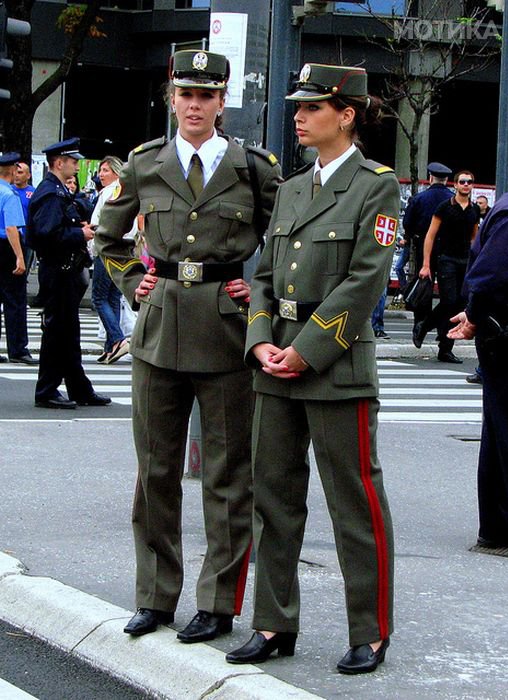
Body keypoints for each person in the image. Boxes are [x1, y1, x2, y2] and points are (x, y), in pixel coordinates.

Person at [95, 50, 281, 642]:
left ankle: (219, 602)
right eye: (185, 95)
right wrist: (131, 278)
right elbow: (108, 235)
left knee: (229, 475)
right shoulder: (146, 162)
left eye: (206, 96)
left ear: (223, 102)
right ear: (171, 98)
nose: (195, 105)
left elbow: (286, 237)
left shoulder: (253, 167)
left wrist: (258, 287)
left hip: (227, 331)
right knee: (155, 472)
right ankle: (154, 596)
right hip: (158, 329)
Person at [226, 62, 398, 674]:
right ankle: (274, 623)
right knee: (272, 499)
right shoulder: (294, 186)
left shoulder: (376, 186)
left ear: (346, 114)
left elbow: (364, 281)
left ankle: (370, 631)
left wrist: (309, 349)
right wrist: (261, 343)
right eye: (297, 108)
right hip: (276, 362)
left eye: (311, 108)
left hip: (336, 365)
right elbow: (265, 276)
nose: (297, 117)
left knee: (354, 503)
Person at [448, 146, 508, 559]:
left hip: (505, 337)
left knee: (501, 435)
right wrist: (475, 315)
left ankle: (496, 529)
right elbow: (491, 278)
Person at [26, 137, 111, 410]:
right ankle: (47, 390)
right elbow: (44, 234)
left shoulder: (61, 191)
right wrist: (80, 233)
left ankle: (78, 387)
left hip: (67, 271)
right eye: (73, 162)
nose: (77, 166)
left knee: (68, 333)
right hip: (58, 270)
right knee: (57, 333)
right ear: (58, 163)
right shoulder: (51, 193)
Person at [416, 170, 480, 363]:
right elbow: (430, 235)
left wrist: (475, 263)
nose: (466, 185)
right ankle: (424, 326)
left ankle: (445, 349)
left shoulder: (474, 209)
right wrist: (426, 264)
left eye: (469, 182)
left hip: (465, 261)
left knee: (459, 304)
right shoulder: (444, 207)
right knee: (448, 302)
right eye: (462, 181)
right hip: (446, 259)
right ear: (455, 185)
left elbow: (474, 238)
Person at [89, 156, 130, 365]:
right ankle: (110, 347)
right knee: (113, 297)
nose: (100, 175)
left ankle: (116, 339)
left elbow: (98, 222)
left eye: (105, 170)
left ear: (115, 171)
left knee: (99, 297)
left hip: (106, 248)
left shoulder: (108, 192)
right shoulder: (126, 190)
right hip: (124, 248)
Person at [403, 162, 453, 330]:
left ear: (431, 178)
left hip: (423, 246)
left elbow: (407, 223)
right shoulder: (452, 199)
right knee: (448, 294)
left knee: (424, 287)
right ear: (446, 180)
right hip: (448, 249)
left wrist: (411, 238)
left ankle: (420, 323)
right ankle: (444, 336)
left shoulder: (419, 199)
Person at [0, 152, 37, 365]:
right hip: (6, 247)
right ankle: (18, 348)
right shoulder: (10, 195)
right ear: (13, 171)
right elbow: (12, 227)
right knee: (15, 300)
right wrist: (19, 257)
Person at [12, 161, 36, 271]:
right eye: (15, 172)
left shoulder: (33, 193)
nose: (17, 175)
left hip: (27, 238)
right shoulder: (8, 190)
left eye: (20, 172)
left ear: (28, 175)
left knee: (23, 270)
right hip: (10, 237)